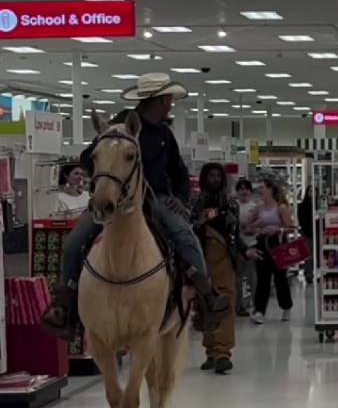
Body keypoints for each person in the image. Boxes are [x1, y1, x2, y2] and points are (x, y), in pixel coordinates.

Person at [41, 73, 230, 340]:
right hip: (115, 199)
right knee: (74, 242)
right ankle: (64, 305)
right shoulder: (119, 125)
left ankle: (205, 298)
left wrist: (180, 197)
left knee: (185, 237)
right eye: (170, 100)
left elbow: (178, 171)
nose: (171, 104)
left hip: (157, 199)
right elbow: (87, 157)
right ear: (162, 100)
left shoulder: (164, 133)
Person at [194, 164, 260, 374]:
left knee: (225, 302)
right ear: (205, 178)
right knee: (205, 304)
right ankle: (211, 352)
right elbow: (188, 230)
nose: (214, 179)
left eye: (217, 175)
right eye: (211, 175)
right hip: (201, 258)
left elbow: (234, 234)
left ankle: (223, 353)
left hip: (224, 258)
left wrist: (245, 250)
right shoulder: (196, 203)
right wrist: (200, 221)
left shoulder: (231, 204)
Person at [248, 177, 296, 324]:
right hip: (262, 243)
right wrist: (258, 226)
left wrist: (278, 229)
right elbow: (248, 227)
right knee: (262, 279)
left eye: (262, 187)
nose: (260, 190)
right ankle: (260, 311)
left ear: (270, 189)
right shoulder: (259, 207)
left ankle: (286, 306)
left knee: (280, 277)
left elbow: (291, 228)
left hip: (278, 243)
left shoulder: (281, 208)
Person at [235, 179, 259, 317]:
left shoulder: (254, 207)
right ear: (237, 191)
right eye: (241, 188)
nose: (244, 191)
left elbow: (258, 227)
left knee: (252, 278)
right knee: (237, 278)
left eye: (246, 188)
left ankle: (256, 306)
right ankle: (240, 306)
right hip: (238, 247)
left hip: (252, 245)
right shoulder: (233, 206)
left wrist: (251, 228)